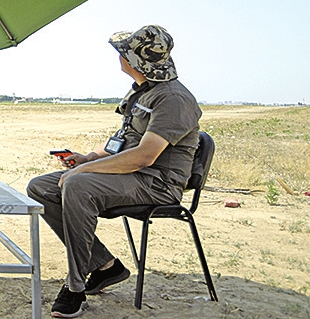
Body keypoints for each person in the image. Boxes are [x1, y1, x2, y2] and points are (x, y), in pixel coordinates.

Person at [27, 25, 202, 318]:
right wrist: (87, 158)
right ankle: (105, 266)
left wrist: (85, 171)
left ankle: (75, 287)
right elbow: (122, 142)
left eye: (123, 52)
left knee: (77, 186)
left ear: (134, 61)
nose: (119, 57)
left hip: (155, 184)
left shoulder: (173, 98)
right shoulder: (144, 91)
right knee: (41, 188)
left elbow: (144, 156)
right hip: (130, 175)